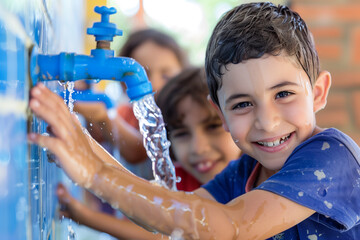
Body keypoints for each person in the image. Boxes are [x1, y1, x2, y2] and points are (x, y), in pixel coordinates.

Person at [28, 2, 360, 239]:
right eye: (243, 103)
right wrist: (83, 144)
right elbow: (177, 211)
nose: (267, 122)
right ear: (222, 114)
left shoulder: (333, 156)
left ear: (318, 93)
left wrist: (95, 173)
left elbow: (231, 227)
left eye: (283, 94)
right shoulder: (245, 171)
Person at [55, 67, 241, 239]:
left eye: (213, 127)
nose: (198, 148)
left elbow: (162, 236)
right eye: (182, 133)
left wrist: (86, 216)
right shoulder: (178, 179)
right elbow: (139, 201)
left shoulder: (255, 179)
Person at [74, 28, 188, 180]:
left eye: (166, 75)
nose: (153, 83)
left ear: (183, 77)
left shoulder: (185, 117)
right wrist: (89, 93)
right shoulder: (126, 113)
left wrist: (105, 117)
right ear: (122, 82)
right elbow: (98, 134)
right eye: (142, 74)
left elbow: (140, 151)